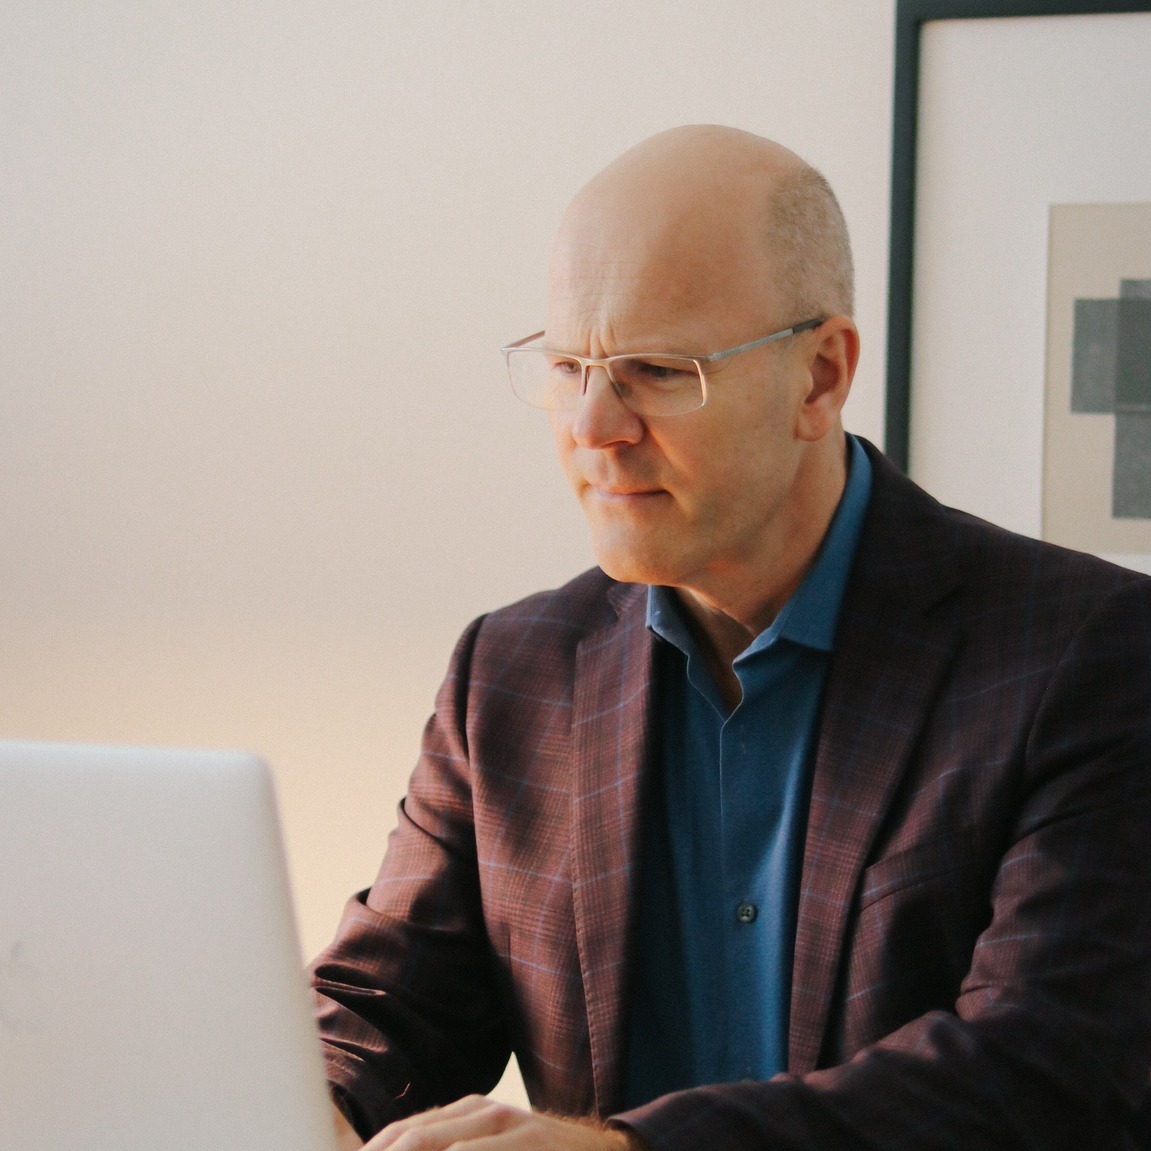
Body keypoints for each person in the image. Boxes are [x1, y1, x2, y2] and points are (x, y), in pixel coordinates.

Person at [310, 124, 1151, 1150]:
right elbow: (388, 1003)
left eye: (657, 370)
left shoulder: (1089, 652)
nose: (593, 425)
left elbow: (1046, 1073)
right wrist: (309, 1101)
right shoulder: (509, 673)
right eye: (570, 363)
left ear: (817, 376)